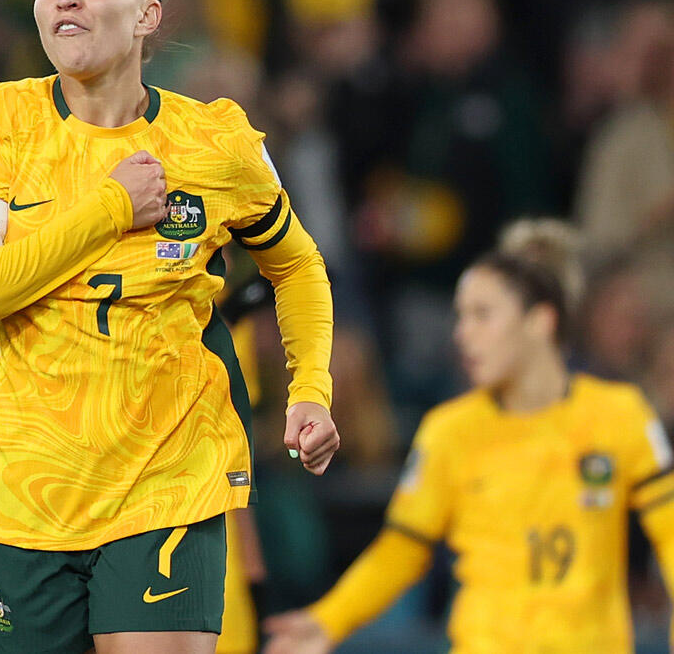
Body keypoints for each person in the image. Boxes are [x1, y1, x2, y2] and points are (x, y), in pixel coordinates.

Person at [0, 0, 338, 654]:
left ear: (148, 15)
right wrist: (110, 208)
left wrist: (309, 386)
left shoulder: (216, 141)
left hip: (168, 479)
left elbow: (297, 264)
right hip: (31, 497)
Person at [267, 220, 674, 653]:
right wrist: (328, 621)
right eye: (461, 316)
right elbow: (402, 549)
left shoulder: (619, 415)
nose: (462, 333)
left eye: (482, 315)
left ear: (540, 321)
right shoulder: (450, 430)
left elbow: (669, 531)